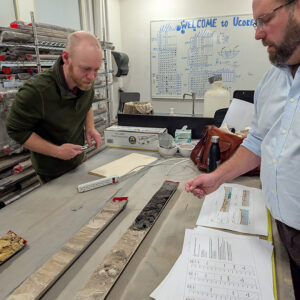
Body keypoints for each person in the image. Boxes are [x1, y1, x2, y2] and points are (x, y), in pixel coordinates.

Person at [186, 0, 300, 298]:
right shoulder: (272, 79)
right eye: (255, 23)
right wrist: (217, 177)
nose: (257, 34)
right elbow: (258, 140)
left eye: (265, 20)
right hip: (283, 226)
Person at [6, 31, 102, 183]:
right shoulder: (37, 91)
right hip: (51, 172)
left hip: (79, 159)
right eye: (85, 69)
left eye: (96, 69)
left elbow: (86, 102)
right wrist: (57, 151)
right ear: (66, 58)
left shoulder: (85, 81)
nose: (91, 77)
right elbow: (15, 130)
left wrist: (90, 127)